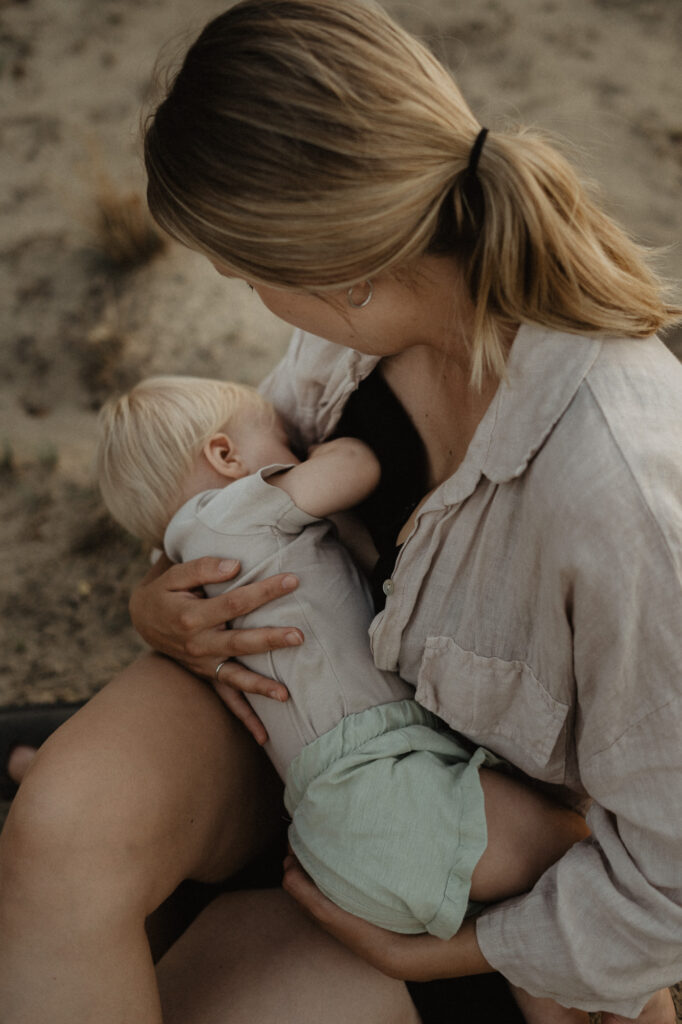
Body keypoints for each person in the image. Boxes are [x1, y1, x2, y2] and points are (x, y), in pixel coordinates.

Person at [0, 1, 680, 1022]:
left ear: (336, 263)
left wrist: (446, 955)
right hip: (319, 743)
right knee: (62, 823)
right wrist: (165, 609)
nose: (240, 290)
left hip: (492, 873)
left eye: (243, 270)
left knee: (215, 994)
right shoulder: (347, 345)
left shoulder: (616, 493)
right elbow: (236, 510)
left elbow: (665, 884)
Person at [96, 371, 592, 1021]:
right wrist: (325, 453)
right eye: (282, 442)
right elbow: (356, 465)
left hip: (337, 834)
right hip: (385, 787)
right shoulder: (242, 507)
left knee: (510, 893)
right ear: (225, 457)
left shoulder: (192, 572)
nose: (294, 455)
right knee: (573, 850)